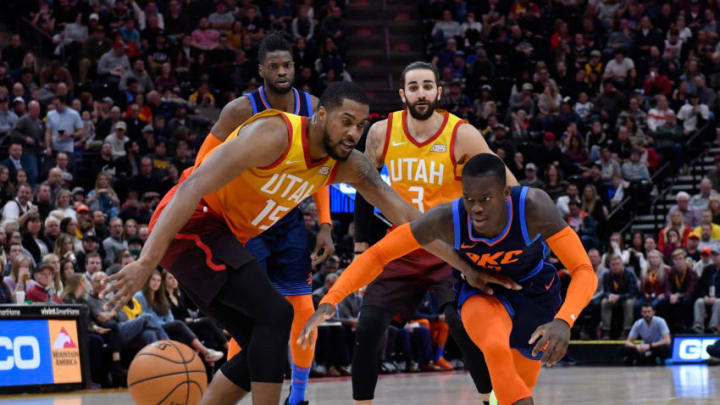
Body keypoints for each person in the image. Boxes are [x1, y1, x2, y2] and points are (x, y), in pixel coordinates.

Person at [101, 83, 512, 405]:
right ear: (319, 117)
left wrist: (466, 266)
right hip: (191, 223)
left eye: (360, 125)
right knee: (277, 317)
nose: (353, 132)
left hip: (222, 236)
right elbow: (191, 186)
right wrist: (144, 263)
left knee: (261, 343)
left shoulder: (348, 164)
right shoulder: (273, 133)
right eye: (345, 121)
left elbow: (408, 219)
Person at [301, 154, 597, 405]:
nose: (476, 208)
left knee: (517, 384)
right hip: (482, 293)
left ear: (506, 194)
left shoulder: (534, 207)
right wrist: (331, 299)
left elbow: (583, 269)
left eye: (485, 199)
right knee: (494, 348)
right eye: (469, 199)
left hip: (534, 293)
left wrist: (564, 320)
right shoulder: (447, 218)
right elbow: (380, 255)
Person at [350, 61, 520, 405]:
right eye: (413, 87)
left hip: (451, 245)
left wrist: (511, 235)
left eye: (428, 86)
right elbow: (365, 187)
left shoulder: (463, 134)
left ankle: (489, 398)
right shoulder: (382, 132)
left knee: (460, 321)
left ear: (439, 91)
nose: (421, 93)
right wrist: (359, 245)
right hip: (403, 241)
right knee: (368, 325)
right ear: (403, 95)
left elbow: (509, 185)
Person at [195, 33, 332, 405]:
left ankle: (298, 396)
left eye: (286, 64)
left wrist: (325, 222)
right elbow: (201, 163)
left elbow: (321, 168)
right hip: (244, 221)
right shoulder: (240, 110)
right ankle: (240, 390)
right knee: (252, 313)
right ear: (261, 70)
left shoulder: (312, 106)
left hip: (287, 217)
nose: (282, 71)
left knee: (303, 307)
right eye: (273, 66)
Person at [600, 255, 639, 339]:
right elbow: (605, 291)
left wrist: (619, 297)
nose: (615, 266)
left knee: (628, 303)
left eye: (617, 264)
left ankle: (626, 330)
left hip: (627, 297)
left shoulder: (629, 274)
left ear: (622, 264)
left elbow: (632, 292)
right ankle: (606, 331)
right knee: (604, 302)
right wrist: (609, 295)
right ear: (609, 266)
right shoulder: (607, 275)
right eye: (613, 264)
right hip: (613, 298)